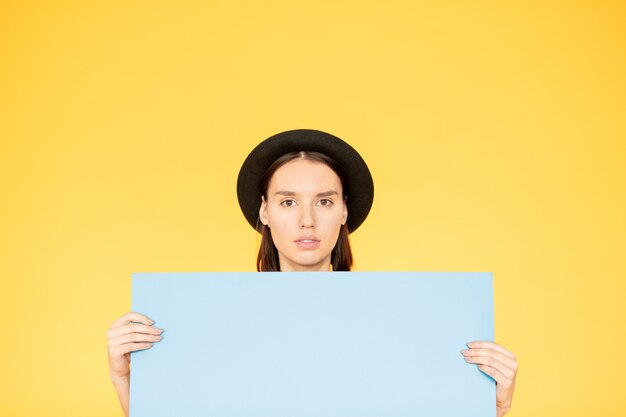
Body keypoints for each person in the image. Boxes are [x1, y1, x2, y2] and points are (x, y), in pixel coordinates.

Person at [106, 129, 518, 416]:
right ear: (264, 211)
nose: (306, 220)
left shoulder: (402, 325)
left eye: (323, 202)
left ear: (344, 211)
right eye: (287, 202)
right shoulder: (212, 326)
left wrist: (490, 405)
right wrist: (125, 377)